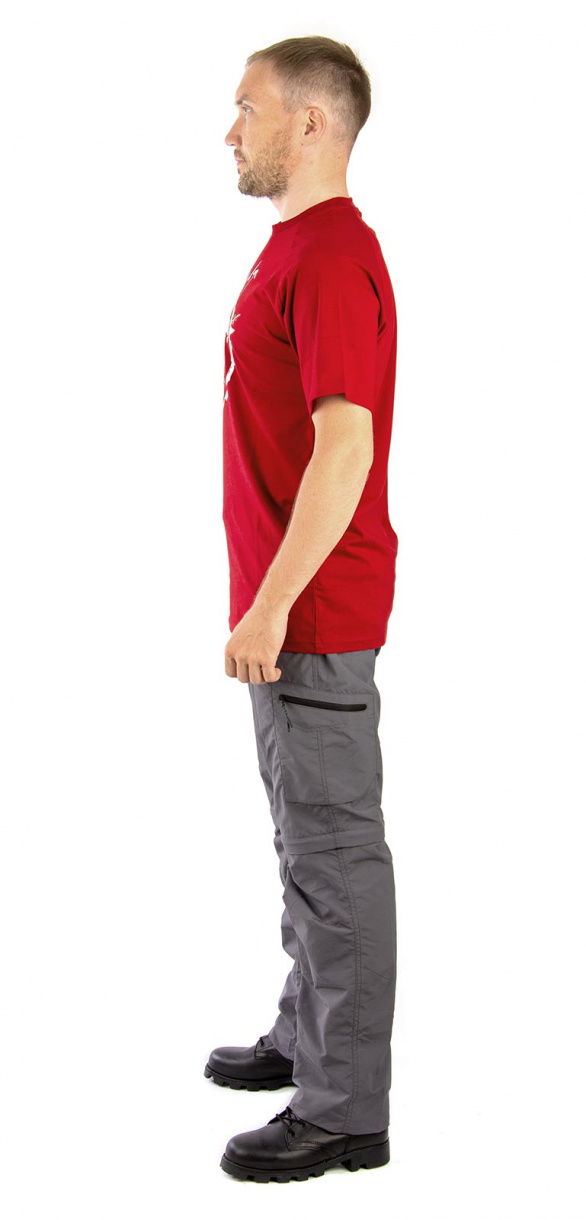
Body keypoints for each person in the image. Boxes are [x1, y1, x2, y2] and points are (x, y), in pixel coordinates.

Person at [206, 35, 399, 1183]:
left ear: (311, 123)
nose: (230, 130)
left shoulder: (329, 257)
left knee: (333, 848)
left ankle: (342, 1110)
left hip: (312, 612)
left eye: (248, 108)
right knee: (303, 837)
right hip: (290, 611)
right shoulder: (295, 248)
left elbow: (345, 449)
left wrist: (272, 605)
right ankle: (308, 1029)